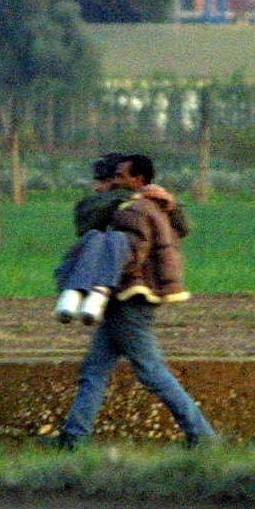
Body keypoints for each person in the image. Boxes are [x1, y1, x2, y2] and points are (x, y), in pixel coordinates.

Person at [51, 152, 219, 449]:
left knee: (151, 371)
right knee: (94, 370)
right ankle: (73, 438)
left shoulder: (137, 208)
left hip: (131, 299)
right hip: (122, 298)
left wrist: (168, 202)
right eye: (107, 179)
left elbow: (135, 247)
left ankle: (202, 436)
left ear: (137, 180)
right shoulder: (130, 204)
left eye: (115, 178)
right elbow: (88, 214)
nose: (106, 184)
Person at [51, 153, 135, 325]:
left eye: (105, 181)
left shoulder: (147, 202)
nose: (97, 187)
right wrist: (119, 198)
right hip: (113, 291)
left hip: (127, 291)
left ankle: (75, 296)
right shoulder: (96, 204)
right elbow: (85, 223)